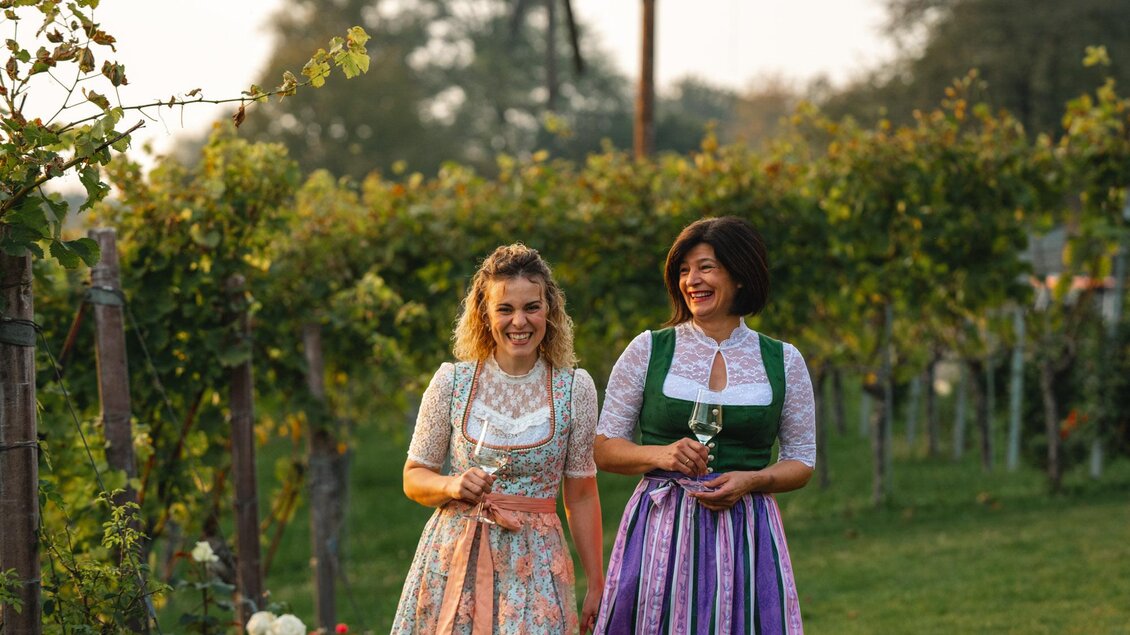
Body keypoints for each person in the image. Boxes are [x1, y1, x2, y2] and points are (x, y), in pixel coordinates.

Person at [592, 216, 815, 634]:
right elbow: (604, 447)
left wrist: (752, 480)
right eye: (683, 270)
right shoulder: (648, 349)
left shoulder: (783, 360)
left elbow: (802, 461)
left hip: (747, 529)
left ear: (741, 275)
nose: (692, 280)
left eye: (706, 267)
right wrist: (662, 454)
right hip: (661, 527)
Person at [392, 244, 604, 635]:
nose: (519, 321)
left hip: (536, 563)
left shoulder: (575, 388)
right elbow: (414, 476)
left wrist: (596, 581)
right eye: (505, 309)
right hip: (455, 554)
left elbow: (582, 494)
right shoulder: (451, 383)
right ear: (484, 315)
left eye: (531, 307)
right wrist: (451, 484)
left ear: (550, 311)